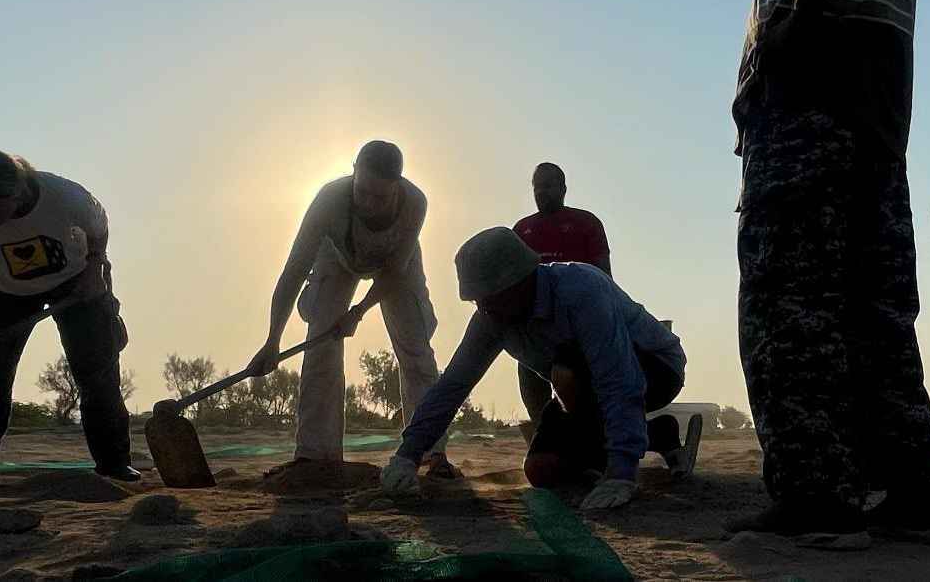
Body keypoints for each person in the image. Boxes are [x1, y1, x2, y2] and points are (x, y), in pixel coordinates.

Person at [727, 0, 930, 549]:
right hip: (873, 113)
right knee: (874, 307)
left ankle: (816, 492)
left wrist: (796, 19)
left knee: (788, 300)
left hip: (811, 108)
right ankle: (908, 493)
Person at [379, 227, 694, 510]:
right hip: (580, 391)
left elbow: (618, 378)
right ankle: (658, 433)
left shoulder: (582, 290)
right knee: (542, 469)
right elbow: (453, 385)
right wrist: (408, 455)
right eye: (478, 301)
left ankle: (626, 448)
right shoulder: (491, 317)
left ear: (521, 282)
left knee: (567, 370)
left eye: (492, 298)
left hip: (653, 368)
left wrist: (621, 473)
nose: (484, 309)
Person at [0, 149, 137, 497]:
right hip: (2, 290)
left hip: (76, 278)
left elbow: (98, 230)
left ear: (18, 193)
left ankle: (114, 465)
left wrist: (94, 269)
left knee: (97, 368)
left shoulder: (67, 197)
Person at [244, 141, 454, 477]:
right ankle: (316, 455)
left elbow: (393, 272)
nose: (369, 204)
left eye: (380, 197)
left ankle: (431, 452)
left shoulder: (415, 202)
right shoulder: (329, 200)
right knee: (320, 344)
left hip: (397, 265)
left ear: (397, 186)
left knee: (416, 351)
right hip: (337, 257)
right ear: (354, 172)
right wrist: (272, 341)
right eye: (362, 192)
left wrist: (358, 312)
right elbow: (294, 270)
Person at [512, 162, 612, 424]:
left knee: (581, 395)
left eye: (547, 186)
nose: (541, 192)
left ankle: (587, 436)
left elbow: (604, 278)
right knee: (533, 389)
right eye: (536, 187)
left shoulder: (586, 223)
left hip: (578, 328)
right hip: (534, 328)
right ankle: (544, 435)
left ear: (563, 189)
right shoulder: (521, 230)